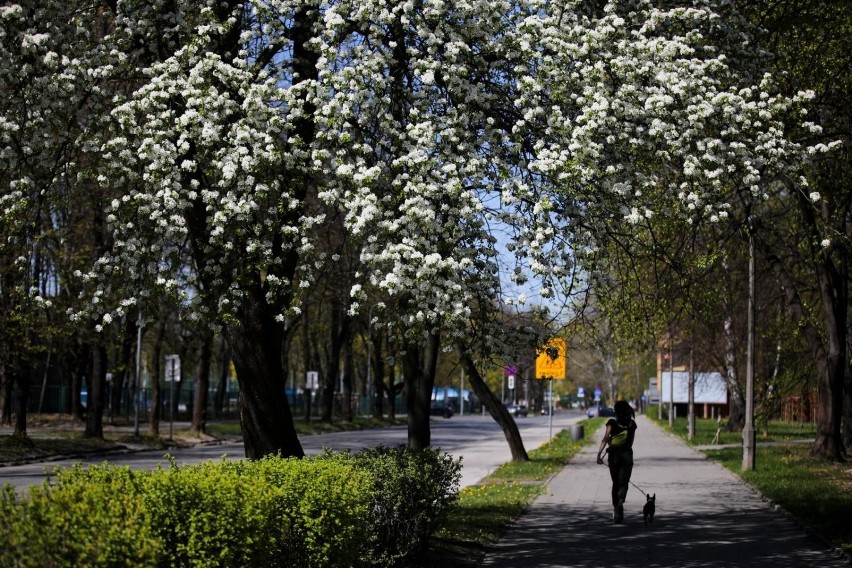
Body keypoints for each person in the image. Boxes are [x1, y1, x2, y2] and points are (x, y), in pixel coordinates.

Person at [596, 400, 637, 523]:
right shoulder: (632, 424)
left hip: (614, 456)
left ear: (616, 411)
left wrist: (599, 454)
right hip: (627, 456)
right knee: (623, 482)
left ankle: (616, 509)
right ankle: (620, 502)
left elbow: (605, 439)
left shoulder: (611, 423)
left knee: (615, 482)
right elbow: (630, 442)